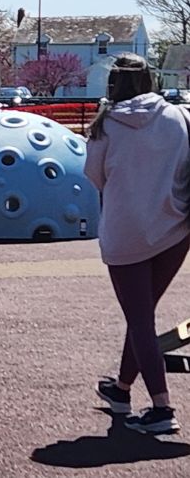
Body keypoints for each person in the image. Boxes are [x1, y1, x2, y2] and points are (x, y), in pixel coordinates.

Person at [86, 53, 190, 435]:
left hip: (127, 230)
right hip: (175, 227)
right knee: (142, 315)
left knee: (140, 317)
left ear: (113, 83)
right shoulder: (180, 116)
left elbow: (94, 175)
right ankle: (122, 388)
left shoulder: (106, 123)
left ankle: (162, 407)